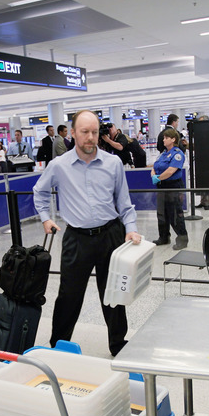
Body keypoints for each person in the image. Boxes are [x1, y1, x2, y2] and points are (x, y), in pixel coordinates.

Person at [33, 110, 142, 357]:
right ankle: (59, 346)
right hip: (77, 238)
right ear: (73, 133)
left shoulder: (113, 163)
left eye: (94, 132)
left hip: (110, 235)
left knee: (113, 292)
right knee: (69, 295)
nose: (90, 137)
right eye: (84, 132)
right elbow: (39, 192)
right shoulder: (59, 166)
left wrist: (131, 228)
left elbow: (124, 203)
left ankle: (118, 343)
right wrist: (45, 218)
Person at [151, 128, 188, 250]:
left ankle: (182, 239)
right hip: (162, 186)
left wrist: (159, 178)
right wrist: (153, 175)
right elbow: (155, 166)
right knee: (161, 213)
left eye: (166, 138)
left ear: (173, 139)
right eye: (163, 138)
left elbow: (171, 171)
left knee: (175, 214)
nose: (164, 140)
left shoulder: (178, 154)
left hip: (173, 186)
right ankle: (164, 237)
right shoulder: (163, 154)